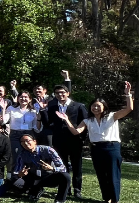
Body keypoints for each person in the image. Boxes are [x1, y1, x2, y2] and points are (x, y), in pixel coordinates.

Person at [57, 81, 133, 203]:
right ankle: (106, 198)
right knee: (101, 175)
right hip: (96, 149)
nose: (95, 108)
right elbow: (76, 132)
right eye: (93, 106)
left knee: (113, 175)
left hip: (112, 148)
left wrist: (128, 95)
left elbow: (129, 109)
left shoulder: (112, 116)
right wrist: (67, 120)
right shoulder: (88, 120)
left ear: (104, 107)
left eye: (98, 105)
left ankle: (114, 199)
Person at [45, 70, 87, 199]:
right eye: (57, 93)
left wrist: (82, 138)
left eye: (62, 92)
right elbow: (48, 122)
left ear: (67, 93)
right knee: (62, 166)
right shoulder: (52, 106)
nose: (60, 95)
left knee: (76, 166)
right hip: (59, 141)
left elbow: (85, 122)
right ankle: (65, 188)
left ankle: (77, 189)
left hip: (75, 140)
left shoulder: (79, 106)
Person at [6, 134, 70, 202]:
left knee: (66, 176)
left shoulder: (48, 150)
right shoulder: (22, 155)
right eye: (22, 142)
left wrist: (52, 168)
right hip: (33, 179)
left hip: (48, 177)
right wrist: (20, 174)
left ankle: (60, 200)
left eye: (27, 141)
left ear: (34, 141)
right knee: (13, 182)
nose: (25, 143)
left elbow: (63, 168)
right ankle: (35, 190)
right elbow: (16, 172)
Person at [3, 91, 41, 171]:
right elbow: (4, 121)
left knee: (30, 154)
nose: (23, 99)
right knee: (16, 155)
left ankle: (29, 174)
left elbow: (37, 129)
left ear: (30, 99)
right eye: (21, 97)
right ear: (18, 99)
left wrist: (39, 119)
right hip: (15, 134)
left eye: (26, 97)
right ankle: (15, 175)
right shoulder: (11, 109)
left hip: (29, 134)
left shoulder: (33, 111)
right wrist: (3, 109)